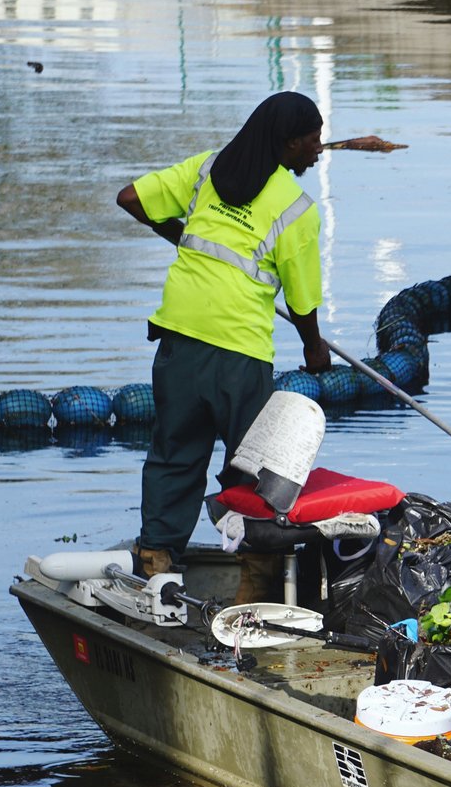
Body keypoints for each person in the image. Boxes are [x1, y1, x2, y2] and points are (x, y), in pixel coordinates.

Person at [116, 91, 333, 599]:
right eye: (313, 140)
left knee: (174, 455)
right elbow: (302, 303)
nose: (318, 150)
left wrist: (181, 235)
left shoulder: (206, 168)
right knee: (252, 468)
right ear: (289, 142)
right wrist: (314, 348)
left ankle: (156, 567)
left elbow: (131, 198)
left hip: (180, 341)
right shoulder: (297, 208)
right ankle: (254, 589)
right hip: (239, 351)